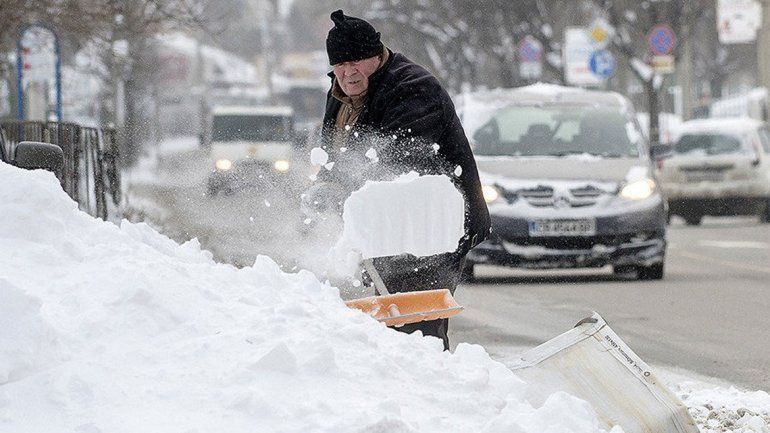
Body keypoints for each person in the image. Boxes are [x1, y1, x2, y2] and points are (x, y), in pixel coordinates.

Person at [314, 10, 490, 350]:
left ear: (377, 55)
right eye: (340, 64)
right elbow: (336, 154)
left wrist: (346, 192)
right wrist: (326, 185)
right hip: (385, 230)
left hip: (429, 230)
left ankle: (434, 391)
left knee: (418, 332)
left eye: (358, 61)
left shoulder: (412, 88)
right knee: (392, 326)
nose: (349, 72)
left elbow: (400, 162)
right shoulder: (341, 93)